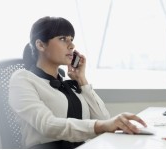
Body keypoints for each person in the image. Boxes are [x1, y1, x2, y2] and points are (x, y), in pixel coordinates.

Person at [8, 16, 147, 149]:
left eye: (71, 39)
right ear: (40, 45)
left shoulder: (69, 84)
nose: (72, 45)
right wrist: (103, 125)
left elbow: (103, 117)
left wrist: (81, 80)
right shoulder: (23, 79)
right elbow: (47, 125)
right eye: (63, 39)